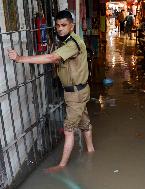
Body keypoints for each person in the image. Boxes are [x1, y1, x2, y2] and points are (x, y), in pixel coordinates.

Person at [8, 10, 95, 172]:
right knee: (85, 122)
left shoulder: (72, 44)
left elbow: (51, 58)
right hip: (80, 91)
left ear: (72, 26)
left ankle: (62, 165)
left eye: (64, 25)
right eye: (57, 26)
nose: (60, 28)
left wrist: (20, 59)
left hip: (75, 94)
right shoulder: (70, 40)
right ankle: (91, 151)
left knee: (69, 130)